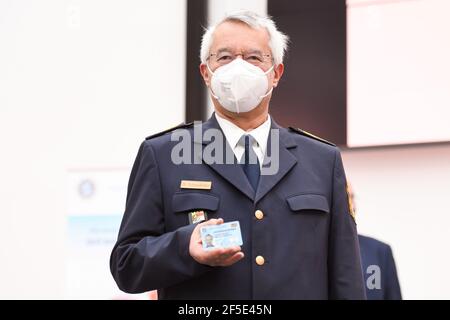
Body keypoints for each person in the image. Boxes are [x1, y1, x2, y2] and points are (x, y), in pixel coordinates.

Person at [110, 11, 366, 300]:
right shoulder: (163, 155)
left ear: (276, 74)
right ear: (206, 73)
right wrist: (185, 248)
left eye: (254, 58)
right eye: (224, 58)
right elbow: (126, 265)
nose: (239, 67)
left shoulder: (321, 160)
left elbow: (346, 276)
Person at [347, 184, 402, 300]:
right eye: (345, 197)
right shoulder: (315, 253)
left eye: (352, 197)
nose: (351, 205)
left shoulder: (380, 251)